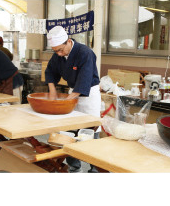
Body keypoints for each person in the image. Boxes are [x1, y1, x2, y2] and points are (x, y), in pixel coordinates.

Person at [45, 26, 101, 172]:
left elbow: (84, 82)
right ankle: (73, 167)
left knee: (90, 132)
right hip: (72, 93)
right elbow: (50, 71)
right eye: (55, 51)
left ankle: (95, 169)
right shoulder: (59, 54)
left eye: (60, 50)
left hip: (89, 96)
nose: (58, 53)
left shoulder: (85, 53)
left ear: (69, 41)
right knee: (69, 131)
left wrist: (65, 102)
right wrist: (52, 91)